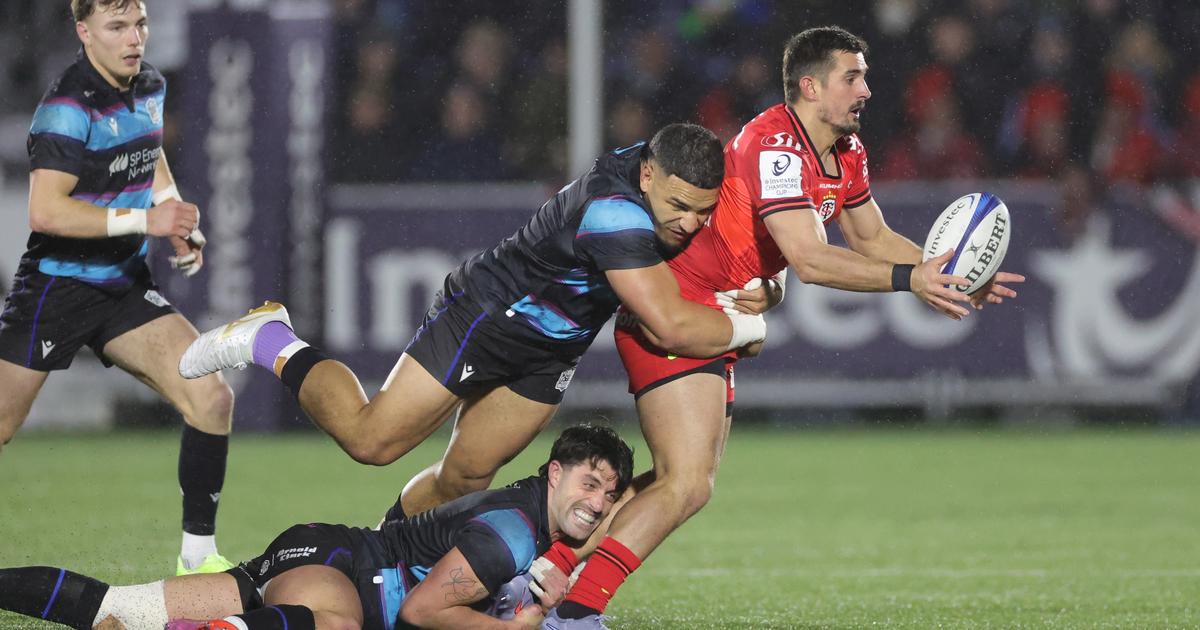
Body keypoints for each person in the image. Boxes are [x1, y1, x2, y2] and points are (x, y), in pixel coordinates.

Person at [538, 26, 1027, 627]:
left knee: (682, 481)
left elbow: (870, 237)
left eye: (865, 76)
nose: (866, 90)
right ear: (810, 86)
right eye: (853, 77)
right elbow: (811, 259)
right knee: (687, 483)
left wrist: (945, 273)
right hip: (678, 308)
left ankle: (548, 568)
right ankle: (577, 610)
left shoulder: (846, 151)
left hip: (718, 312)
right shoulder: (774, 145)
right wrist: (911, 281)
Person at [178, 123, 767, 508]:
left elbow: (745, 240)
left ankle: (389, 558)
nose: (689, 223)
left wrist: (773, 284)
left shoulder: (667, 169)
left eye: (702, 211)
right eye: (679, 207)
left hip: (552, 349)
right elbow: (668, 324)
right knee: (372, 441)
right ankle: (272, 338)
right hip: (490, 315)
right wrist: (750, 326)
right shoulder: (614, 212)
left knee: (466, 478)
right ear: (647, 176)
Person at [0, 0, 236, 575]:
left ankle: (198, 563)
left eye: (140, 24)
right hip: (56, 289)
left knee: (211, 396)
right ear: (84, 33)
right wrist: (144, 223)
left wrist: (172, 213)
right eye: (117, 28)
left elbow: (146, 150)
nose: (134, 39)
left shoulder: (148, 84)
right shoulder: (65, 107)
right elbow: (46, 211)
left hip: (123, 288)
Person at [0, 424, 635, 630]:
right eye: (588, 483)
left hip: (321, 552)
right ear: (555, 475)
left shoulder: (532, 517)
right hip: (340, 571)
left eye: (607, 496)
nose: (596, 502)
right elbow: (420, 611)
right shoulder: (514, 532)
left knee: (121, 606)